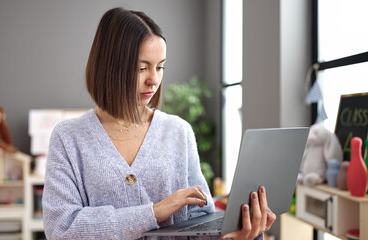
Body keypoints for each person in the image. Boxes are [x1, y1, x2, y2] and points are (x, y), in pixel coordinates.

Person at [42, 7, 276, 240]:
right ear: (110, 67)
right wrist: (153, 213)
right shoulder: (68, 137)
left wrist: (240, 234)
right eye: (142, 68)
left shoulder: (178, 132)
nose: (153, 80)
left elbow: (200, 225)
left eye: (160, 66)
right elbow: (62, 229)